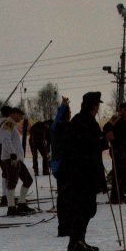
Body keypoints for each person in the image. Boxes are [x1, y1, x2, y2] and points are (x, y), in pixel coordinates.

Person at [58, 91, 108, 251]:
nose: (98, 107)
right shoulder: (83, 121)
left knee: (87, 208)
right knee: (84, 207)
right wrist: (104, 141)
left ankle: (79, 240)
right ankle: (76, 241)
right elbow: (88, 146)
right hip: (81, 173)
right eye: (97, 104)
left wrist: (104, 141)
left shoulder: (84, 120)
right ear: (93, 106)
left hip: (82, 172)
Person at [0, 107, 36, 216]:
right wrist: (12, 153)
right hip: (12, 159)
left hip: (17, 159)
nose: (21, 118)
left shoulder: (12, 125)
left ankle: (21, 203)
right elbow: (5, 139)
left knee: (28, 179)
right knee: (12, 182)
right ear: (14, 114)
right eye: (20, 115)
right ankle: (11, 207)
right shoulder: (9, 124)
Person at [103, 101, 126, 203]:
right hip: (118, 150)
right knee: (119, 174)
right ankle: (116, 197)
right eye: (125, 110)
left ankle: (119, 194)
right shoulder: (116, 118)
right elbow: (106, 127)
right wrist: (111, 135)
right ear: (120, 110)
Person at [50, 97, 73, 237]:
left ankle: (64, 225)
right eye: (68, 113)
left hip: (59, 164)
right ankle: (64, 226)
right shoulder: (61, 126)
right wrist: (63, 106)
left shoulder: (56, 126)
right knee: (65, 197)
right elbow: (59, 118)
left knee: (64, 196)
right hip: (62, 164)